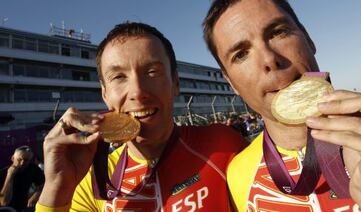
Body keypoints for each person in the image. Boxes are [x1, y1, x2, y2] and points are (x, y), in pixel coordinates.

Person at [202, 0, 361, 211]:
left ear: (308, 39)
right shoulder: (238, 175)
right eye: (241, 54)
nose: (270, 59)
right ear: (230, 82)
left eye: (278, 32)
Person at [36, 22, 246, 211]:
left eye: (152, 72)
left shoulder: (224, 143)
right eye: (119, 77)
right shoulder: (88, 182)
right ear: (105, 95)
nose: (137, 92)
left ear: (175, 83)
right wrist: (56, 189)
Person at [0, 146, 44, 212]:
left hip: (23, 207)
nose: (22, 163)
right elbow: (4, 202)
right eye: (19, 159)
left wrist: (35, 195)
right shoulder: (3, 173)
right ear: (12, 158)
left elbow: (44, 185)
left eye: (26, 160)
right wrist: (9, 176)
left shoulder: (32, 169)